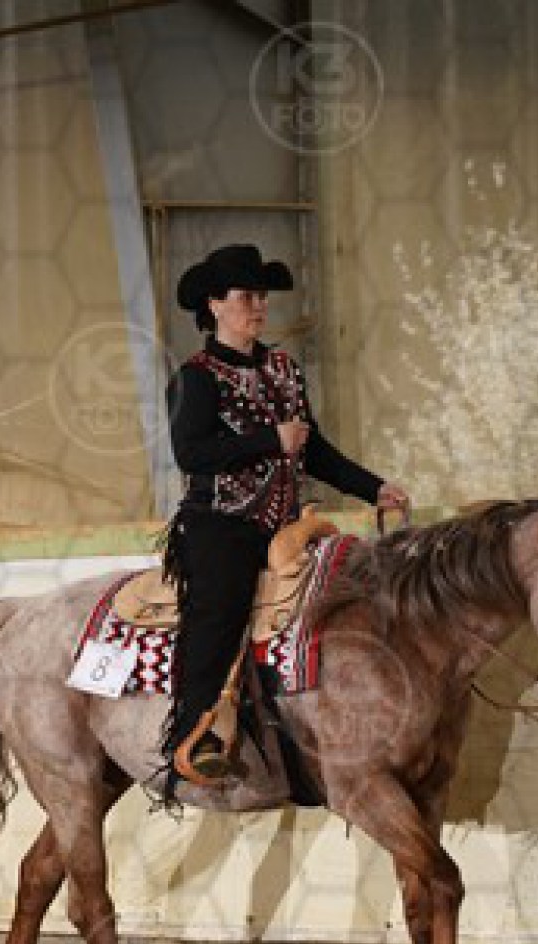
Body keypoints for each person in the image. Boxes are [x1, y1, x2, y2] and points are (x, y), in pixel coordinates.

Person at [160, 243, 410, 788]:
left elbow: (314, 451)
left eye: (262, 296)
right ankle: (194, 736)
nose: (258, 306)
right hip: (221, 525)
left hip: (286, 527)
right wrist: (269, 440)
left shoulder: (284, 370)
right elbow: (191, 454)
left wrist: (373, 488)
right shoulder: (195, 378)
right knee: (220, 612)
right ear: (214, 304)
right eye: (246, 296)